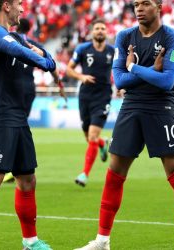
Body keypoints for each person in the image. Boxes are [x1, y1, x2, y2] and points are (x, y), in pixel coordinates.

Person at [74, 0, 174, 250]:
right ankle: (102, 240)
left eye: (146, 3)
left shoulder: (173, 38)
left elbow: (166, 81)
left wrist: (133, 67)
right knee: (114, 173)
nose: (139, 8)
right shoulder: (124, 36)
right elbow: (119, 80)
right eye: (136, 4)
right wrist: (149, 70)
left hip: (161, 107)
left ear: (159, 6)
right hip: (130, 107)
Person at [0, 0, 56, 249]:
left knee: (27, 179)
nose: (23, 9)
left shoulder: (14, 36)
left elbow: (43, 52)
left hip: (17, 118)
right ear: (6, 6)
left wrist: (46, 58)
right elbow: (28, 54)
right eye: (19, 4)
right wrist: (46, 62)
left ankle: (30, 241)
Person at [0, 18, 66, 183]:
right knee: (4, 176)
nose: (22, 9)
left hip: (9, 98)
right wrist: (57, 81)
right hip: (25, 93)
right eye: (19, 4)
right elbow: (47, 60)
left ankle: (10, 163)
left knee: (22, 176)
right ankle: (11, 164)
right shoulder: (23, 41)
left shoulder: (10, 40)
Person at [66, 18, 114, 187]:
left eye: (103, 28)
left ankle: (84, 174)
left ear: (106, 32)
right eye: (97, 28)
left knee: (93, 135)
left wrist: (122, 86)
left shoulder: (113, 51)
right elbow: (68, 69)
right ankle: (103, 143)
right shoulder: (82, 49)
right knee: (89, 138)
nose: (100, 31)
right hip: (85, 96)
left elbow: (122, 68)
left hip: (103, 96)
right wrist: (81, 77)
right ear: (92, 32)